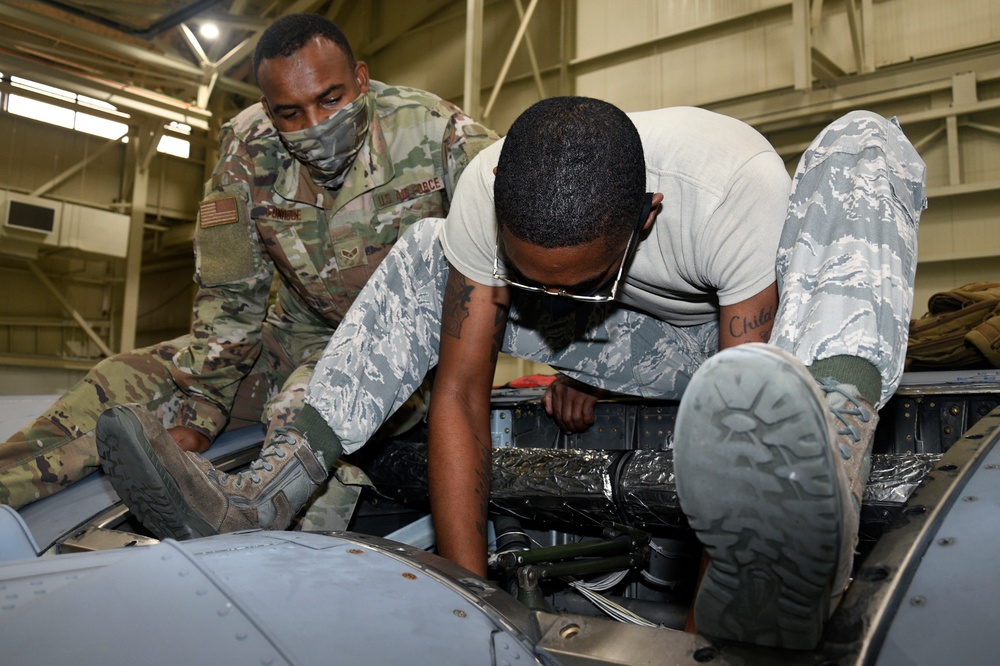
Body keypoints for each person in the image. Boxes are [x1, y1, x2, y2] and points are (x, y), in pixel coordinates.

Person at [97, 97, 926, 649]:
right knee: (427, 253)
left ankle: (830, 464)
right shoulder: (483, 190)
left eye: (579, 277)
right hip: (617, 347)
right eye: (535, 277)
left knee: (865, 141)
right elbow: (458, 392)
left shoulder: (729, 187)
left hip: (731, 359)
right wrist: (469, 593)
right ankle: (265, 490)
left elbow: (735, 427)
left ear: (646, 218)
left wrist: (713, 633)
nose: (558, 298)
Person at [0, 13, 497, 520]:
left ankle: (264, 550)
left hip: (398, 358)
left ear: (362, 79)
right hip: (290, 340)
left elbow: (530, 237)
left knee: (299, 412)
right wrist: (202, 410)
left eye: (331, 99)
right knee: (118, 380)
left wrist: (580, 367)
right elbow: (229, 294)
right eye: (290, 113)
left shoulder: (437, 132)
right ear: (267, 109)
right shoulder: (246, 149)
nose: (315, 125)